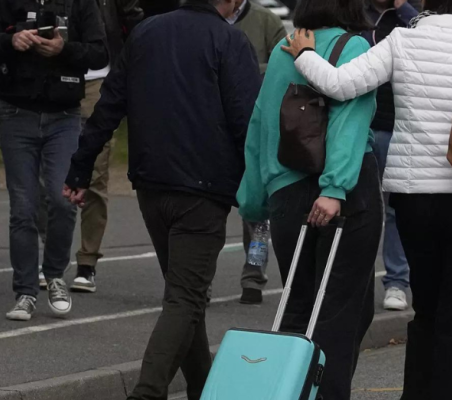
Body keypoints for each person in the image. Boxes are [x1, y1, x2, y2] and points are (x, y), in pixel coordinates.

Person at [281, 0, 452, 397]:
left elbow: (341, 84)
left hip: (417, 201)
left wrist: (306, 56)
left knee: (427, 309)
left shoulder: (401, 42)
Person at [63, 0, 260, 398]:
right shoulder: (230, 40)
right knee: (185, 299)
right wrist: (257, 185)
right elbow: (247, 121)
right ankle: (147, 391)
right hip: (204, 188)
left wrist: (80, 168)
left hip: (152, 182)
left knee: (186, 300)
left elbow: (109, 105)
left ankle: (203, 389)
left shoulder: (147, 32)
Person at [236, 0, 380, 398]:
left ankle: (288, 391)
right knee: (341, 311)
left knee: (298, 305)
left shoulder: (289, 46)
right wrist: (335, 187)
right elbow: (350, 121)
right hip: (342, 192)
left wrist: (253, 199)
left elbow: (261, 122)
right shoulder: (354, 47)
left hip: (285, 192)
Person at [0, 0, 109, 321]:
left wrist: (63, 49)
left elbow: (100, 53)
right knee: (23, 207)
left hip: (64, 115)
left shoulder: (81, 4)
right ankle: (25, 291)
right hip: (15, 113)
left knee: (63, 201)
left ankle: (55, 275)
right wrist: (11, 41)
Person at [67, 0, 144, 293]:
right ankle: (48, 254)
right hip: (47, 78)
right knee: (45, 172)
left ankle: (87, 261)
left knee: (95, 174)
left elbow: (135, 20)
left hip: (98, 78)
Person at [228, 0, 287, 304]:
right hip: (214, 129)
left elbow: (285, 65)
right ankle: (196, 280)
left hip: (255, 127)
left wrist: (243, 68)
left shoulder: (266, 21)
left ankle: (253, 276)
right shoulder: (206, 18)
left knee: (255, 208)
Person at [362, 0, 420, 311]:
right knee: (361, 208)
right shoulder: (363, 16)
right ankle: (356, 282)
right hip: (367, 126)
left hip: (401, 125)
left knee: (396, 209)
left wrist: (403, 6)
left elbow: (426, 35)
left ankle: (397, 282)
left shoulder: (413, 16)